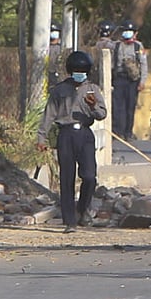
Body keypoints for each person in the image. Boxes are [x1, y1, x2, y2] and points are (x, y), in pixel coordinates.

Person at [37, 51, 107, 233]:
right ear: (70, 70)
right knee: (67, 177)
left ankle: (83, 210)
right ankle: (69, 221)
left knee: (89, 176)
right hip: (65, 135)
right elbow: (48, 115)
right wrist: (41, 138)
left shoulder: (93, 89)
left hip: (85, 134)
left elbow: (102, 114)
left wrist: (92, 105)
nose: (79, 73)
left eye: (82, 70)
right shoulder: (60, 90)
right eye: (76, 70)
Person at [112, 20, 148, 140]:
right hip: (119, 79)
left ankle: (128, 132)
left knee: (130, 106)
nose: (127, 33)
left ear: (135, 33)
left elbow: (143, 64)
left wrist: (142, 81)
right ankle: (117, 132)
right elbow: (111, 63)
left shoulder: (138, 46)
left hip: (132, 80)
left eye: (130, 31)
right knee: (117, 106)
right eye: (125, 31)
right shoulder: (117, 45)